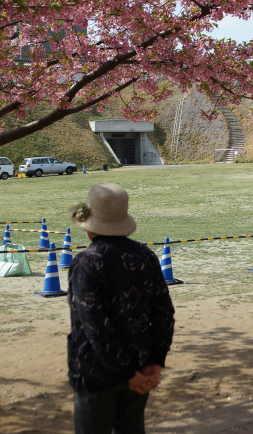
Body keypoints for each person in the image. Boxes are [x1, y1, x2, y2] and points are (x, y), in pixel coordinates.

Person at [67, 182, 175, 434]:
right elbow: (164, 313)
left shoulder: (86, 263)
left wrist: (125, 372)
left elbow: (94, 325)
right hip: (140, 365)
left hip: (97, 373)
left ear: (90, 228)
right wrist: (155, 361)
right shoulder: (145, 256)